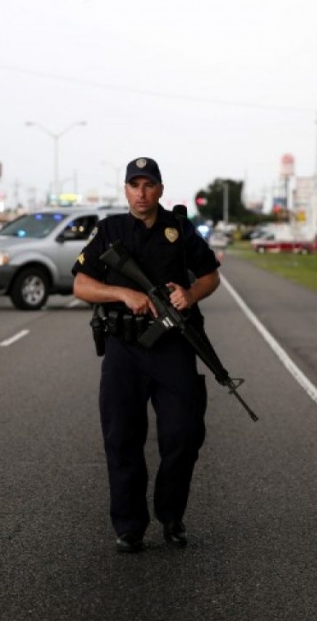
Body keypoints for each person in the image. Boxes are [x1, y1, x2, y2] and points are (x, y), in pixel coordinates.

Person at [72, 156, 221, 553]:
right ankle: (129, 526)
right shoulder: (110, 231)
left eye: (148, 184)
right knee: (121, 438)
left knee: (184, 434)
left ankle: (171, 516)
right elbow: (82, 285)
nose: (141, 192)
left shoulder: (179, 229)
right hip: (124, 349)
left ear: (160, 189)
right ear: (125, 190)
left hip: (173, 347)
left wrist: (189, 294)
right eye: (134, 185)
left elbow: (210, 276)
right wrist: (124, 293)